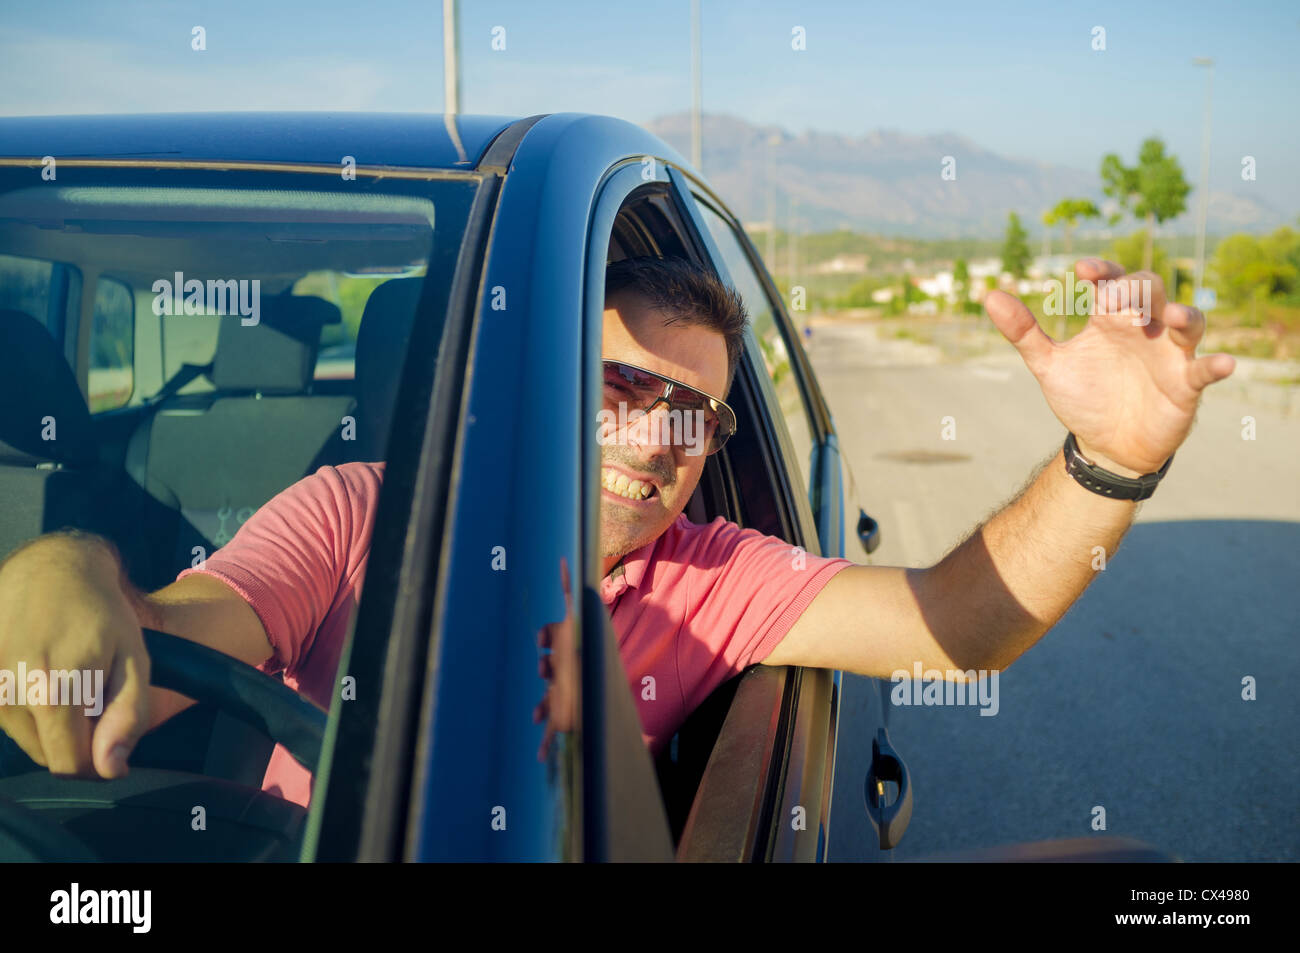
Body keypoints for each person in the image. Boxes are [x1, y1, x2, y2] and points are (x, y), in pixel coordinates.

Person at [0, 255, 1235, 809]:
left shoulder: (711, 576)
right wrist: (64, 572)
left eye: (690, 411)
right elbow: (161, 638)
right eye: (615, 388)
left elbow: (956, 627)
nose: (657, 439)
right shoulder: (360, 511)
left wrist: (1111, 461)